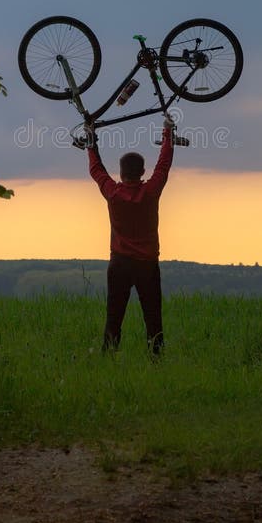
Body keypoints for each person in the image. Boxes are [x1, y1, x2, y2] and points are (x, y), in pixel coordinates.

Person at [85, 115, 175, 355]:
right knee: (153, 317)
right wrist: (168, 133)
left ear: (121, 172)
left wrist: (91, 141)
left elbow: (96, 170)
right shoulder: (150, 191)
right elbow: (163, 165)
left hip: (119, 263)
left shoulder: (113, 193)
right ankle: (156, 361)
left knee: (114, 316)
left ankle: (108, 357)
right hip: (147, 264)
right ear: (142, 171)